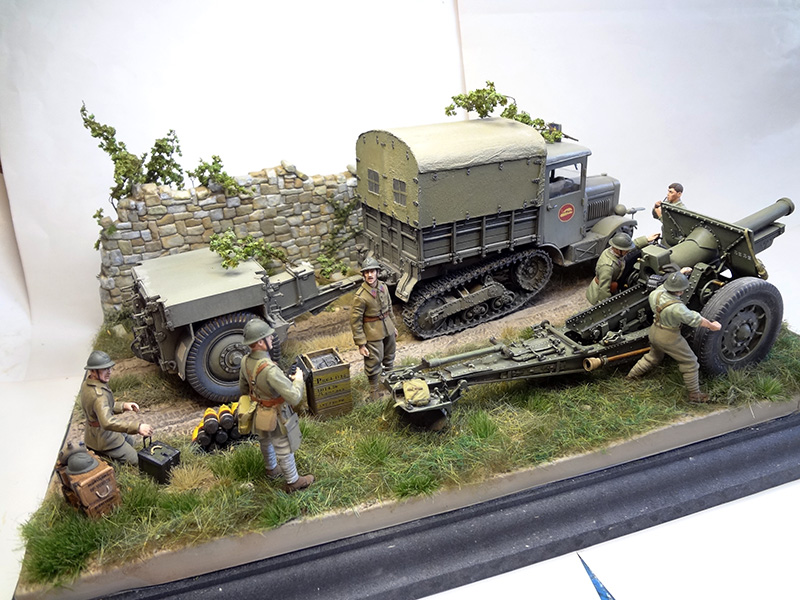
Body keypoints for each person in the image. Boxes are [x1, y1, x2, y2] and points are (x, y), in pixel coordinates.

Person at [239, 318, 314, 493]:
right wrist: (298, 380)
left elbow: (243, 388)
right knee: (283, 446)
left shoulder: (245, 361)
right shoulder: (269, 369)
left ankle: (271, 468)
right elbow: (294, 397)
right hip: (277, 415)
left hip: (259, 412)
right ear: (260, 342)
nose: (272, 338)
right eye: (268, 337)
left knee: (265, 440)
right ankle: (293, 481)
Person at [626, 272, 722, 402]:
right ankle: (695, 395)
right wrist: (712, 325)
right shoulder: (678, 308)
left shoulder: (656, 293)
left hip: (654, 331)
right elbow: (695, 319)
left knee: (652, 357)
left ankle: (631, 377)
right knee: (690, 362)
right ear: (681, 291)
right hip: (669, 336)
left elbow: (663, 287)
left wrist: (679, 274)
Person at [80, 350, 153, 465]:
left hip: (94, 433)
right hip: (104, 437)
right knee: (138, 461)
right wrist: (137, 427)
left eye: (109, 368)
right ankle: (109, 460)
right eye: (104, 369)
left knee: (131, 442)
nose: (109, 372)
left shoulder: (88, 384)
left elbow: (101, 408)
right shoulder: (99, 395)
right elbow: (107, 422)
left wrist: (123, 406)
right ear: (93, 371)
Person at [350, 256, 397, 401]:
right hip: (372, 332)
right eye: (367, 272)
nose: (370, 275)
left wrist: (393, 326)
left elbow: (389, 308)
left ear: (377, 272)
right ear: (363, 275)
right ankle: (374, 392)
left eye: (372, 271)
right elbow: (355, 321)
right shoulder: (360, 296)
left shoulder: (383, 287)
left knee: (389, 356)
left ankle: (391, 383)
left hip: (387, 327)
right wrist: (361, 343)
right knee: (373, 361)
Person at [586, 232, 659, 305]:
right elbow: (604, 289)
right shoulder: (607, 267)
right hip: (599, 294)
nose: (628, 251)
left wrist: (646, 240)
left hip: (612, 283)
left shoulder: (614, 250)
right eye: (626, 250)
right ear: (617, 249)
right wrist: (606, 305)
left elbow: (629, 246)